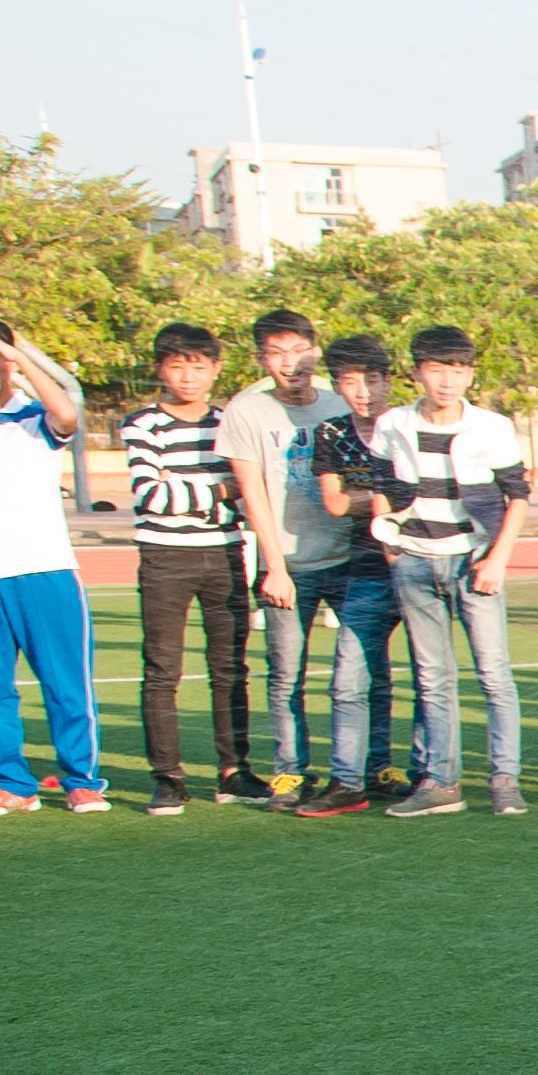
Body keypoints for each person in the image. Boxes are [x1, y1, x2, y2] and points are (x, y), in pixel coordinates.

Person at [0, 315, 104, 817]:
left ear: (9, 359)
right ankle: (11, 782)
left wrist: (17, 355)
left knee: (65, 682)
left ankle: (83, 780)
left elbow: (68, 413)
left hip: (43, 569)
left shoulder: (35, 416)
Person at [218, 310, 380, 809]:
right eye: (276, 352)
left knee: (363, 671)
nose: (291, 363)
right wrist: (275, 567)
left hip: (350, 558)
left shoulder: (340, 401)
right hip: (290, 565)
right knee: (286, 672)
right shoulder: (246, 411)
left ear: (315, 350)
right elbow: (253, 495)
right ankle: (290, 771)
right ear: (261, 359)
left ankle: (374, 767)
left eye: (299, 350)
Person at [369, 325, 531, 817]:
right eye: (437, 369)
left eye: (457, 370)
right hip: (414, 562)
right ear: (417, 371)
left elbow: (517, 495)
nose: (446, 381)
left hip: (474, 562)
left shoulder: (492, 426)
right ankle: (442, 783)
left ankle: (505, 779)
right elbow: (380, 483)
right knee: (432, 678)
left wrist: (496, 558)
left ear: (470, 373)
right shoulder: (393, 423)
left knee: (493, 675)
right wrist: (391, 548)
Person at [119, 323, 256, 814]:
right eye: (177, 365)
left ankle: (233, 771)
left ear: (216, 368)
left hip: (225, 552)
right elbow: (151, 496)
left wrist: (191, 492)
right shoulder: (142, 424)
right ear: (160, 369)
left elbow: (253, 486)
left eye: (198, 365)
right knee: (162, 669)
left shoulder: (231, 422)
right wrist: (221, 491)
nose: (188, 376)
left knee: (230, 668)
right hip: (164, 557)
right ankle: (169, 777)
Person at [294, 340, 411, 813]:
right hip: (364, 566)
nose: (362, 391)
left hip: (420, 560)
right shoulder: (332, 433)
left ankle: (422, 773)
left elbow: (426, 492)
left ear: (388, 381)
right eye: (349, 381)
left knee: (430, 677)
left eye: (371, 380)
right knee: (350, 678)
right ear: (336, 385)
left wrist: (371, 493)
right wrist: (388, 497)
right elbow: (336, 503)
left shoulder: (409, 424)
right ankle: (347, 780)